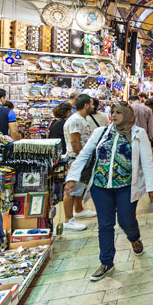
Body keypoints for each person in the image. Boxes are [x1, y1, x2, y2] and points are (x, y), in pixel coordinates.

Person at [64, 102, 153, 281]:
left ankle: (134, 238)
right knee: (105, 225)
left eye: (119, 113)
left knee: (126, 220)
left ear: (128, 115)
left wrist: (152, 187)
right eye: (112, 112)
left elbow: (147, 160)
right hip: (101, 186)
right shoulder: (102, 132)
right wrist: (72, 177)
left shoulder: (138, 134)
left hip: (126, 187)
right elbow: (85, 154)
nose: (114, 115)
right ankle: (106, 261)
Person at [62, 94, 97, 231]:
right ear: (86, 105)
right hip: (76, 159)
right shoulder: (76, 120)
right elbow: (75, 141)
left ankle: (79, 209)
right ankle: (68, 219)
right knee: (71, 189)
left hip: (80, 158)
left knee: (78, 187)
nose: (94, 107)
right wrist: (81, 159)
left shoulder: (80, 119)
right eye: (92, 104)